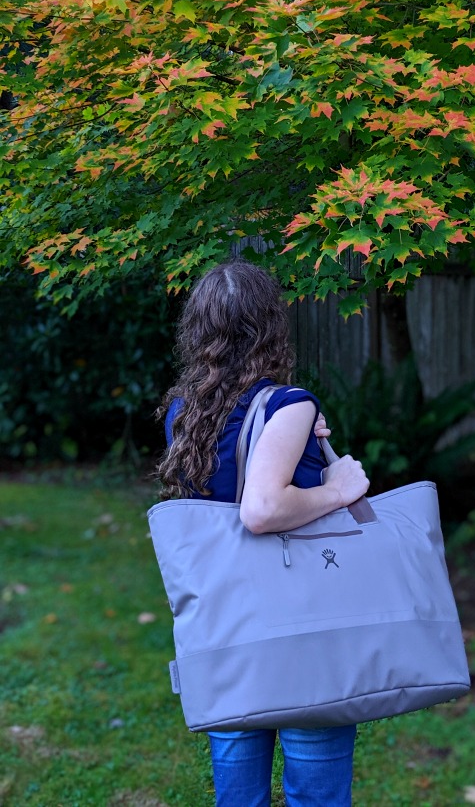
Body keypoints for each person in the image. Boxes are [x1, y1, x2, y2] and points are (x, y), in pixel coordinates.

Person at [157, 258, 370, 807]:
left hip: (227, 634)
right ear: (271, 324)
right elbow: (262, 508)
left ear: (198, 331)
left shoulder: (183, 415)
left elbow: (226, 490)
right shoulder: (288, 404)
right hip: (304, 632)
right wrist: (338, 488)